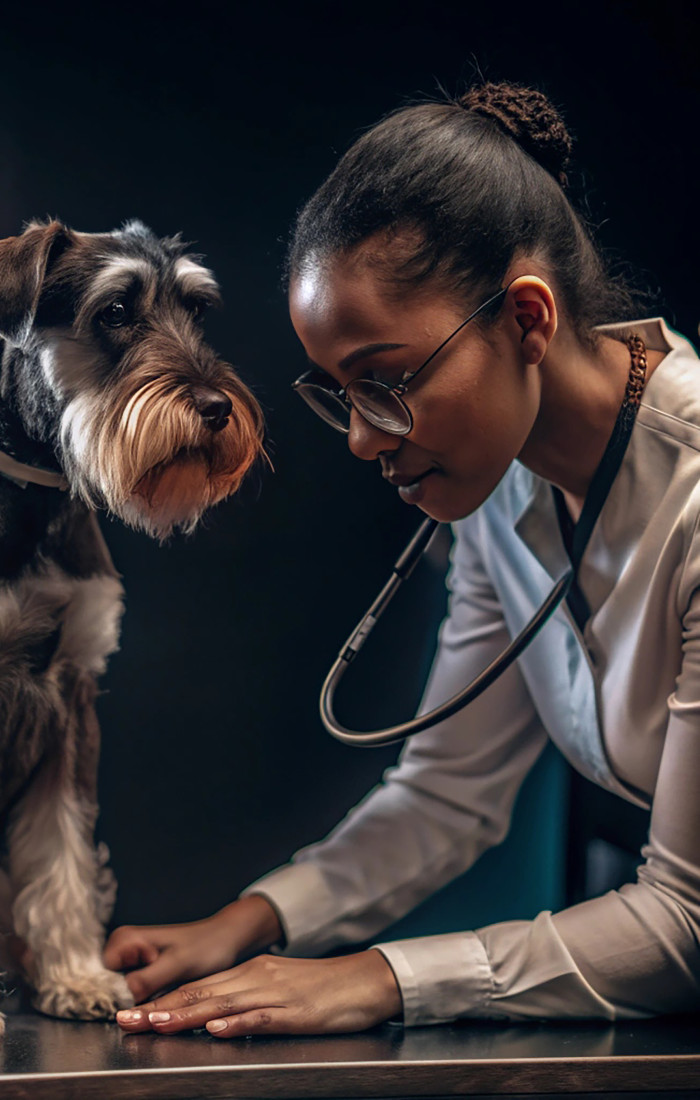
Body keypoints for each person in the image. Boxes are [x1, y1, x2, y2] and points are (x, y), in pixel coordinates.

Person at [104, 82, 700, 1038]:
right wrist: (248, 925)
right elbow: (450, 792)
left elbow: (687, 922)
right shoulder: (500, 489)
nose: (360, 440)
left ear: (528, 320)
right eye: (340, 394)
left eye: (384, 382)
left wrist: (374, 980)